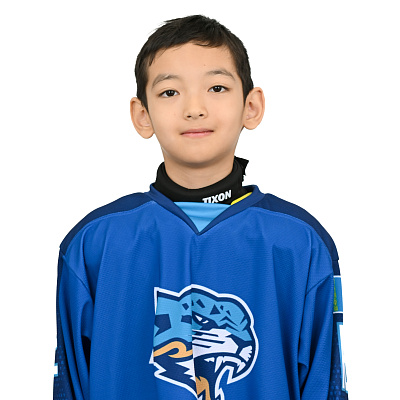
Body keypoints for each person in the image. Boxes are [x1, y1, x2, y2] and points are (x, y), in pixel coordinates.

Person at [53, 15, 348, 400]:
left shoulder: (300, 243)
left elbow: (326, 383)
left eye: (217, 87)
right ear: (142, 114)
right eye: (170, 92)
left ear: (251, 106)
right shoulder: (95, 244)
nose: (194, 108)